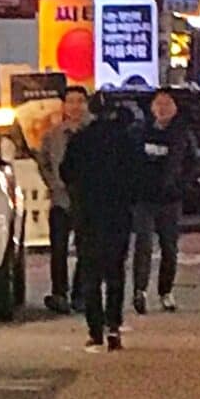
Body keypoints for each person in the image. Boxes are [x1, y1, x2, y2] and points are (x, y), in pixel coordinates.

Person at [61, 93, 143, 351]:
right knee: (115, 271)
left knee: (90, 272)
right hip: (117, 214)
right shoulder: (126, 140)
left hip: (87, 213)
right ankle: (114, 326)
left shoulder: (81, 140)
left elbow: (67, 172)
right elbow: (137, 175)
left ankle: (95, 329)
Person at [132, 88, 191, 315]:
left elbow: (190, 164)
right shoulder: (140, 133)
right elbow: (132, 162)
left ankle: (165, 291)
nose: (163, 109)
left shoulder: (182, 135)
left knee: (169, 247)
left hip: (170, 200)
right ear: (152, 108)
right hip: (144, 199)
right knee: (143, 244)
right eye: (159, 104)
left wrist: (179, 185)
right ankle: (140, 290)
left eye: (168, 104)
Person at [38, 84, 89, 313]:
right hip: (60, 199)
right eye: (71, 102)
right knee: (58, 248)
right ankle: (59, 293)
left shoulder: (94, 133)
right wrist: (53, 183)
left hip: (88, 200)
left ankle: (81, 293)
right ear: (64, 106)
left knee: (85, 248)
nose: (75, 106)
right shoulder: (53, 135)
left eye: (80, 101)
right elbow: (44, 163)